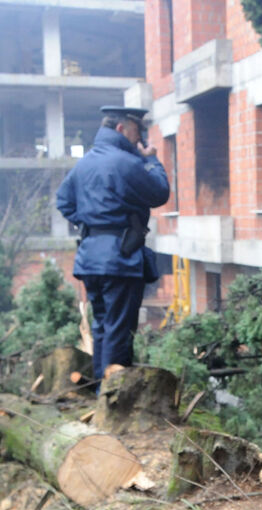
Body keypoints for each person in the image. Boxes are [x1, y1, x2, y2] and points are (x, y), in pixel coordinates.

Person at [56, 105, 170, 382]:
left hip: (90, 258)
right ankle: (112, 397)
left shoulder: (84, 163)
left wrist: (92, 222)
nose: (140, 138)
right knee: (119, 329)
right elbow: (160, 192)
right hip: (120, 259)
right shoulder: (127, 162)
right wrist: (152, 161)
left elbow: (63, 202)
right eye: (137, 131)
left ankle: (100, 391)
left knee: (103, 327)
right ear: (121, 129)